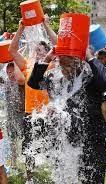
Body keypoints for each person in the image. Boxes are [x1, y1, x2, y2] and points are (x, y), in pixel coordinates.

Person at [27, 47, 106, 183]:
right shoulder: (55, 78)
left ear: (78, 62)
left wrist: (90, 57)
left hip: (92, 138)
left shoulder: (90, 77)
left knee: (93, 179)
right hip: (66, 139)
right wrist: (47, 58)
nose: (64, 70)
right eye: (61, 65)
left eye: (67, 66)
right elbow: (33, 82)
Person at [9, 19, 56, 182]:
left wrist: (46, 26)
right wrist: (20, 28)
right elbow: (12, 50)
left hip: (48, 114)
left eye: (42, 51)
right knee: (29, 148)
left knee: (52, 146)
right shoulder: (28, 64)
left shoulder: (52, 66)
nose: (39, 53)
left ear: (48, 53)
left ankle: (56, 176)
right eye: (37, 50)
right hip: (30, 114)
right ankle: (30, 177)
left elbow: (60, 46)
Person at [4, 62, 25, 169]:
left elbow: (22, 80)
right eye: (7, 72)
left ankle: (26, 159)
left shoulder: (20, 82)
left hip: (21, 115)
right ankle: (14, 161)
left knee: (23, 138)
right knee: (12, 139)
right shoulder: (6, 82)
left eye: (11, 72)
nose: (9, 74)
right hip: (10, 115)